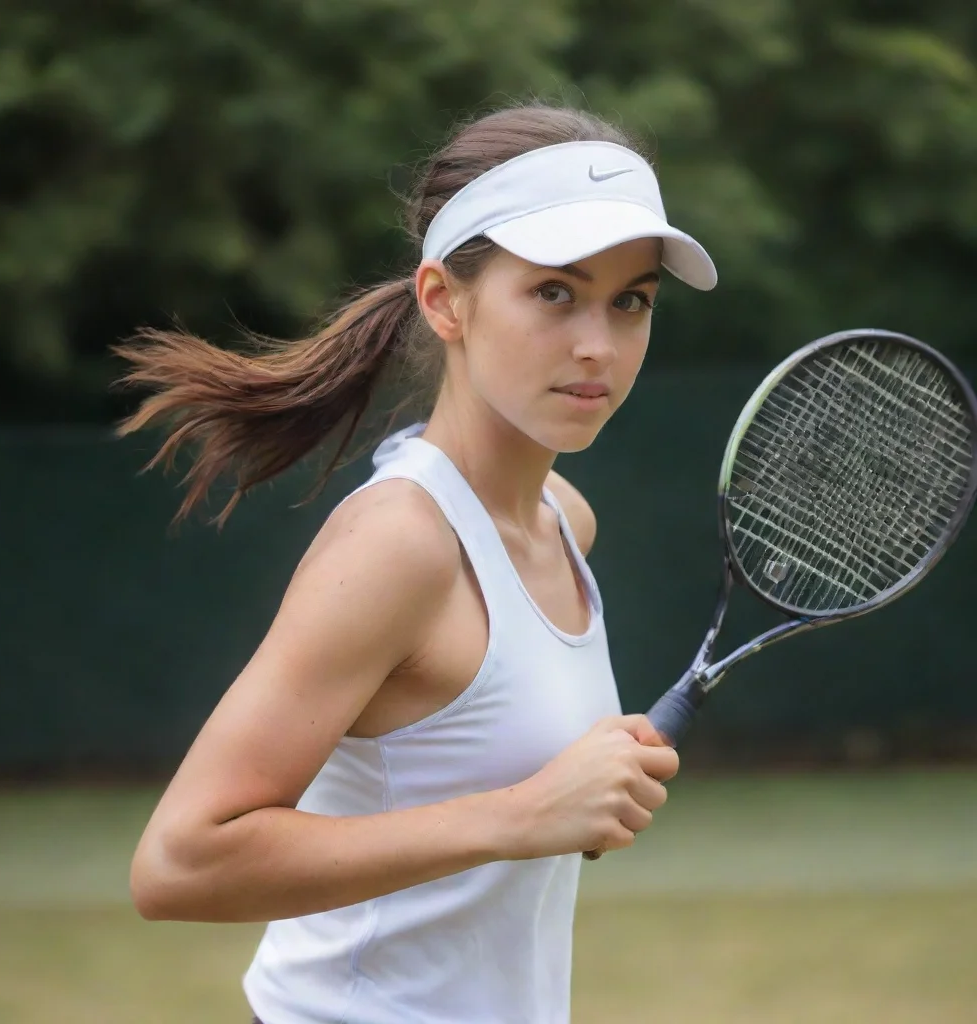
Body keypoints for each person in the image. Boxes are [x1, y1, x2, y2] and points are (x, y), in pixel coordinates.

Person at [118, 102, 717, 1024]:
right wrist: (522, 815)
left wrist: (572, 796)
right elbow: (180, 861)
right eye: (555, 291)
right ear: (445, 299)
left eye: (630, 299)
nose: (598, 343)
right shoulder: (400, 543)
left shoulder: (564, 519)